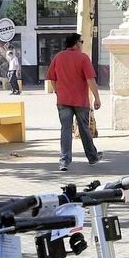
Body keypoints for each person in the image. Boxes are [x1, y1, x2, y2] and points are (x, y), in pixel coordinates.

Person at [43, 33, 103, 172]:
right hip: (80, 101)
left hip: (63, 100)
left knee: (65, 129)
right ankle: (92, 157)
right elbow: (90, 79)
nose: (81, 44)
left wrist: (58, 91)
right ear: (76, 43)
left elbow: (52, 77)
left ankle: (64, 161)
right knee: (84, 129)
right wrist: (97, 97)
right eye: (81, 42)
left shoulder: (58, 57)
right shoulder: (83, 58)